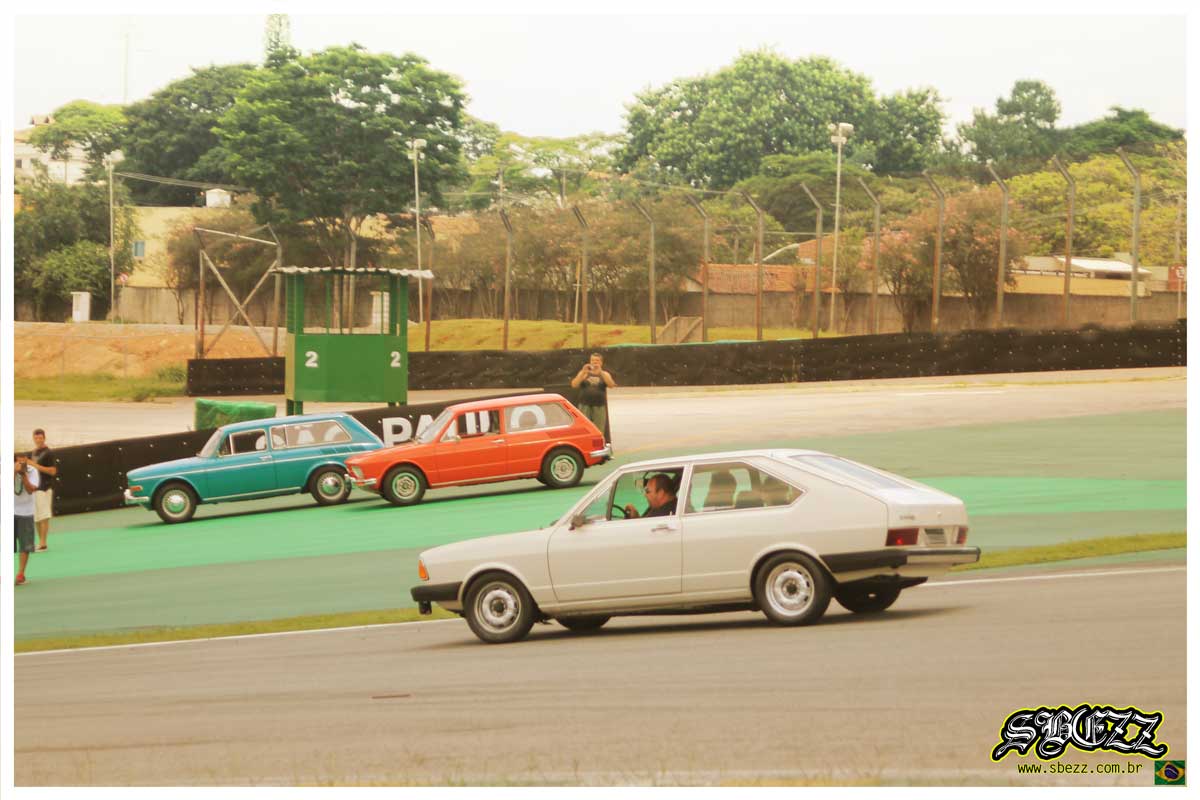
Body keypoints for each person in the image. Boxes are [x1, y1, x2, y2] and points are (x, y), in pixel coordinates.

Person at [570, 353, 616, 442]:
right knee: (584, 428)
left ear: (601, 362)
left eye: (597, 361)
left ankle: (598, 447)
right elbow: (574, 385)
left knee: (599, 429)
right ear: (590, 361)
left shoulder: (605, 374)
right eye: (593, 360)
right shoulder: (584, 373)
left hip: (599, 405)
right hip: (584, 404)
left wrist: (601, 372)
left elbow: (611, 385)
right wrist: (583, 372)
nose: (595, 362)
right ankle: (585, 444)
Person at [29, 428, 57, 551]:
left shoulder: (48, 453)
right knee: (36, 517)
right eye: (36, 438)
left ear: (44, 438)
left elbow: (53, 471)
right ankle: (40, 543)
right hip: (34, 487)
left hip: (44, 488)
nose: (38, 440)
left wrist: (35, 465)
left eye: (40, 438)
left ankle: (43, 543)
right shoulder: (34, 452)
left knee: (44, 516)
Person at [14, 452, 39, 585]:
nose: (21, 461)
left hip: (26, 513)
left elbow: (30, 490)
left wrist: (23, 474)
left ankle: (20, 574)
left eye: (24, 458)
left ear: (27, 460)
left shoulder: (33, 471)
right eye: (19, 458)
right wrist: (13, 472)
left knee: (25, 545)